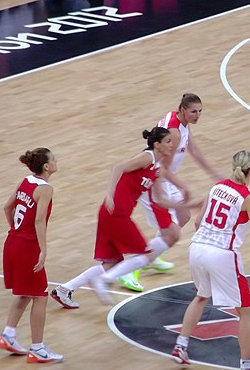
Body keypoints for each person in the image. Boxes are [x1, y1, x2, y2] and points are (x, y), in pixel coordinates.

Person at [170, 150, 250, 370]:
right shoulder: (248, 198)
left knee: (201, 296)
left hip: (197, 248)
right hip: (221, 254)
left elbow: (198, 222)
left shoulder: (216, 187)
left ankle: (181, 345)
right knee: (246, 312)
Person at [50, 127, 187, 308]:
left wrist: (190, 205)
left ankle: (64, 289)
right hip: (115, 213)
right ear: (157, 144)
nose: (172, 145)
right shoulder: (147, 158)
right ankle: (105, 280)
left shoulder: (157, 169)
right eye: (168, 141)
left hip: (113, 214)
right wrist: (110, 194)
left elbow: (161, 200)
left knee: (112, 262)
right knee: (145, 255)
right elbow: (118, 167)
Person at [118, 93, 223, 292]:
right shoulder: (173, 133)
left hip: (163, 179)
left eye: (200, 111)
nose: (197, 115)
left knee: (182, 217)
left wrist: (214, 173)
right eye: (193, 111)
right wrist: (184, 186)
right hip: (152, 182)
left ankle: (152, 256)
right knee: (170, 231)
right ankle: (131, 269)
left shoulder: (180, 122)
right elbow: (161, 169)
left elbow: (194, 149)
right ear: (183, 110)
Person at [0, 148, 63, 363]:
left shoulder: (25, 181)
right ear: (46, 166)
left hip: (12, 241)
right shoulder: (46, 189)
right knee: (40, 296)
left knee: (25, 293)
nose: (56, 160)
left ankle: (8, 335)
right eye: (53, 159)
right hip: (27, 247)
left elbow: (7, 208)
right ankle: (38, 349)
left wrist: (16, 230)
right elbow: (39, 221)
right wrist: (43, 249)